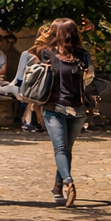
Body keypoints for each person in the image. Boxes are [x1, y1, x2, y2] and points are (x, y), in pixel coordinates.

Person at [36, 18, 92, 207]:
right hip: (53, 108)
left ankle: (58, 186)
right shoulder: (47, 53)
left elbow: (90, 80)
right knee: (60, 148)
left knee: (66, 149)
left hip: (78, 109)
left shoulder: (83, 56)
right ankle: (69, 181)